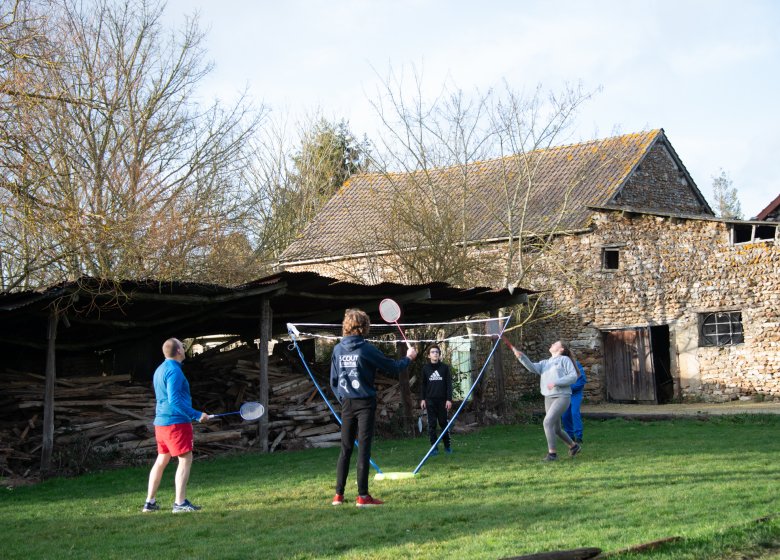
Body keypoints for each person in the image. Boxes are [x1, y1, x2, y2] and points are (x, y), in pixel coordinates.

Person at [330, 309, 417, 507]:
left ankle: (338, 496)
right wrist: (409, 357)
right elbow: (393, 367)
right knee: (364, 450)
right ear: (363, 327)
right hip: (364, 404)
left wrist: (343, 398)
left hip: (347, 403)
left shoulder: (337, 349)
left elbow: (334, 382)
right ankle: (362, 497)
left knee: (345, 449)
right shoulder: (366, 349)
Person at [142, 338, 209, 513]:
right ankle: (180, 503)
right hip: (176, 423)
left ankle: (149, 503)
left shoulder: (160, 370)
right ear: (178, 351)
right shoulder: (175, 372)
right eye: (183, 346)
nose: (184, 348)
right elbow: (174, 401)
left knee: (161, 460)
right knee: (185, 459)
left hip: (161, 423)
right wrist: (196, 414)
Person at [513, 340, 582, 461]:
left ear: (561, 349)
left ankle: (552, 454)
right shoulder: (545, 363)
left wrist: (556, 382)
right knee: (556, 429)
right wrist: (522, 357)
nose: (552, 345)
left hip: (562, 396)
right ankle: (574, 446)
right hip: (548, 397)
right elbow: (533, 368)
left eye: (555, 344)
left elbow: (573, 376)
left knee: (547, 422)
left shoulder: (564, 360)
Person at [420, 344, 453, 455]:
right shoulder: (425, 369)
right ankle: (434, 448)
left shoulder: (444, 368)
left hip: (443, 401)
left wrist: (449, 399)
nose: (435, 354)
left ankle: (447, 446)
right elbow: (423, 385)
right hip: (430, 401)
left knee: (444, 423)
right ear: (429, 355)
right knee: (432, 425)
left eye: (437, 352)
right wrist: (423, 399)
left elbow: (449, 384)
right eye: (433, 352)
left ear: (439, 354)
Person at [562, 358, 587, 443]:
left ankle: (579, 437)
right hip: (565, 394)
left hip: (575, 393)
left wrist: (570, 388)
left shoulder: (575, 364)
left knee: (574, 412)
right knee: (565, 415)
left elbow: (582, 380)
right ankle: (570, 437)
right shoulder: (558, 365)